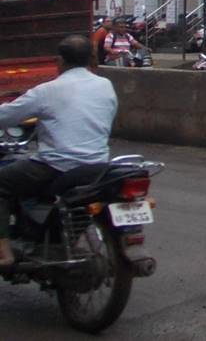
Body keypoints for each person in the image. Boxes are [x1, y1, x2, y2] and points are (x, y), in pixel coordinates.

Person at [0, 35, 118, 268]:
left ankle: (4, 251)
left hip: (58, 165)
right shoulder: (105, 85)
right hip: (97, 164)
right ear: (89, 59)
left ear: (60, 60)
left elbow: (6, 116)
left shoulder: (47, 91)